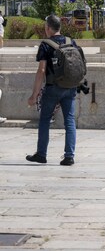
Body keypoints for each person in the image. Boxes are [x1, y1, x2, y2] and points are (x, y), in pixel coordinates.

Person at [25, 15, 78, 166]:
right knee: (69, 120)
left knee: (45, 119)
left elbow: (41, 71)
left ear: (48, 28)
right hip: (70, 86)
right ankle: (69, 156)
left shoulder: (45, 44)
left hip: (52, 87)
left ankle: (41, 154)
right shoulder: (70, 41)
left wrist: (34, 95)